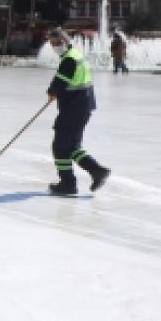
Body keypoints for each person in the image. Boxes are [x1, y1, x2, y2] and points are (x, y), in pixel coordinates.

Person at [45, 28, 112, 196]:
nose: (55, 46)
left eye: (57, 42)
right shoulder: (75, 54)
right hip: (82, 107)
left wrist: (52, 92)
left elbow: (59, 83)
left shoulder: (69, 59)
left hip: (73, 108)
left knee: (61, 146)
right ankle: (93, 173)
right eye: (52, 43)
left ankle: (71, 182)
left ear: (65, 41)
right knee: (71, 146)